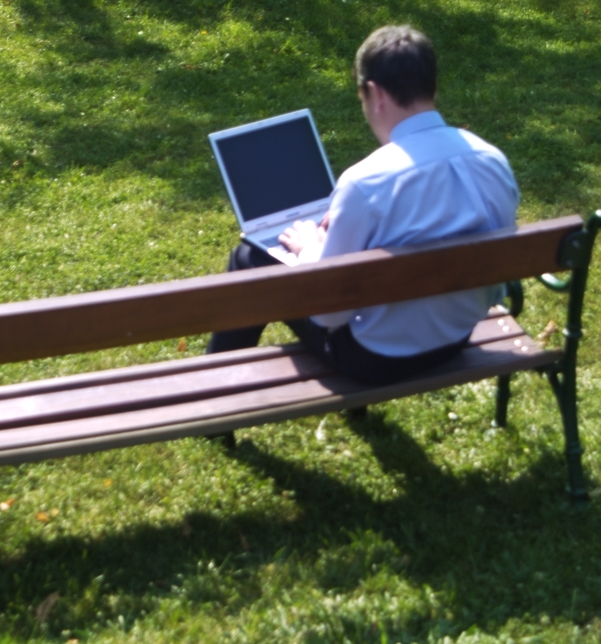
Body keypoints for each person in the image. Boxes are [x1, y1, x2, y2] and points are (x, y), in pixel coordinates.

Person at [206, 25, 520, 386]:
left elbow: (328, 316)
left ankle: (216, 394)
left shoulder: (367, 182)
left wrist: (312, 250)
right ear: (431, 86)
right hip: (455, 337)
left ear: (374, 93)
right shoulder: (492, 160)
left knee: (250, 259)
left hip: (376, 358)